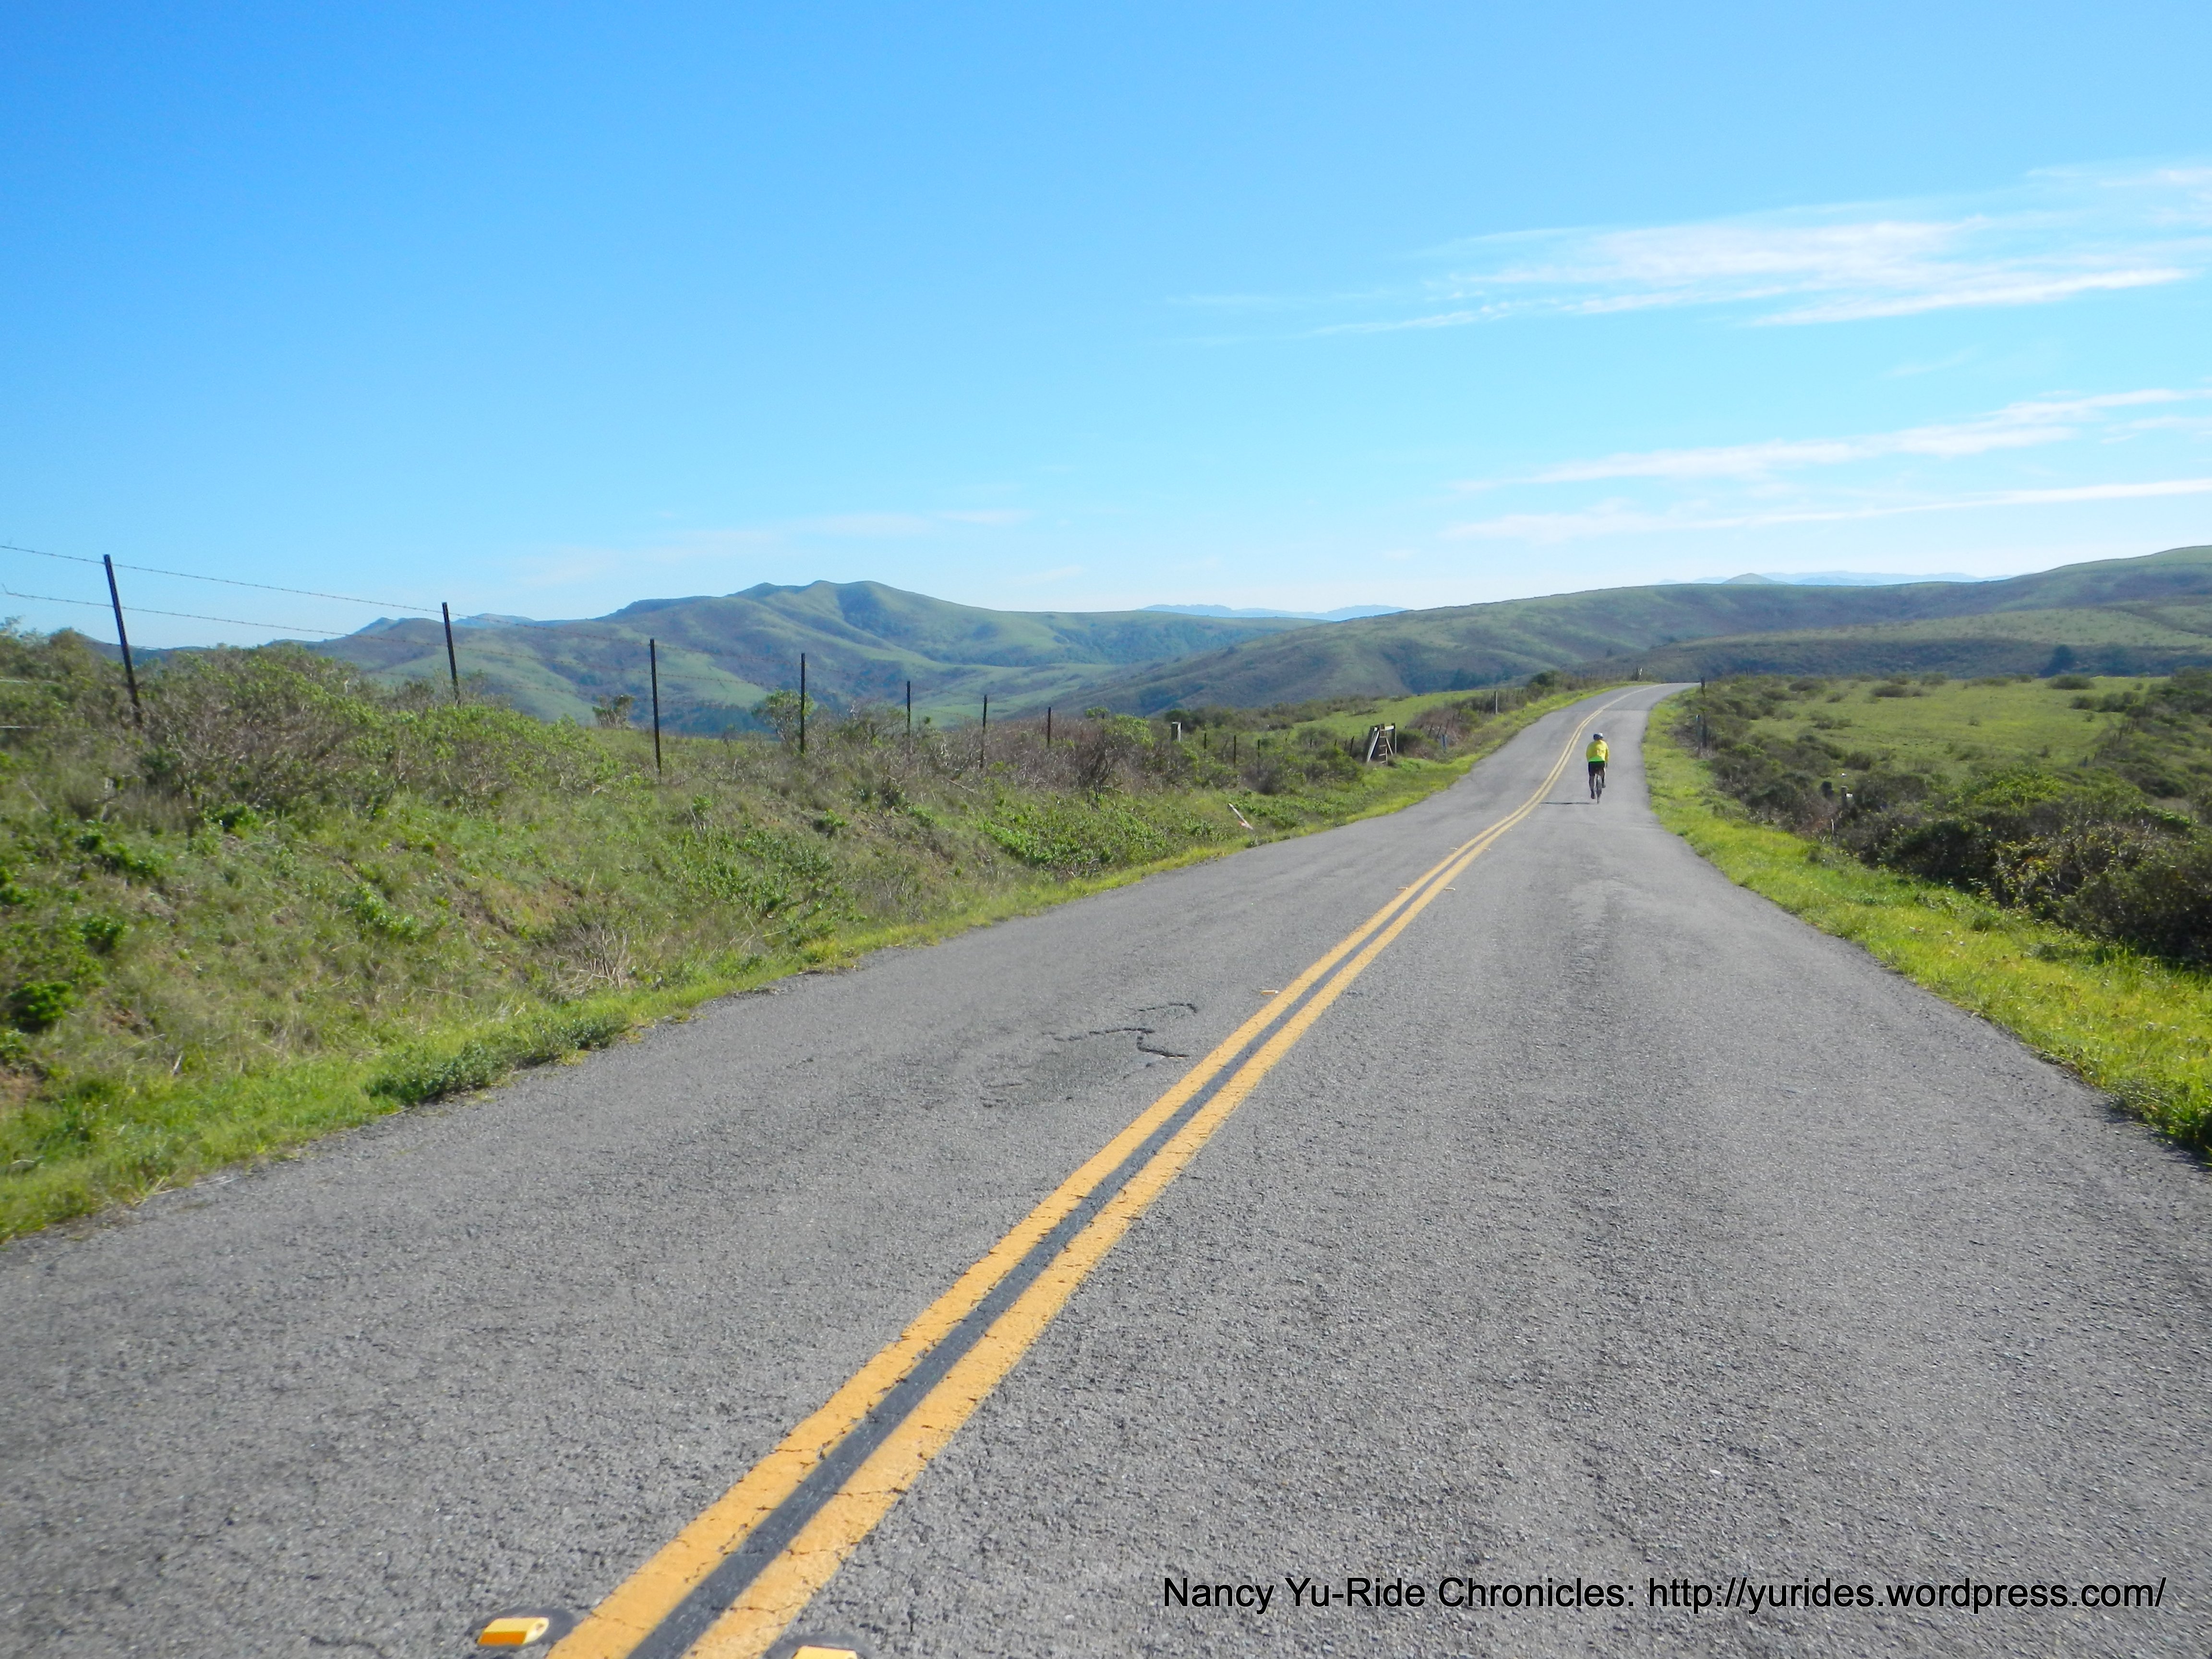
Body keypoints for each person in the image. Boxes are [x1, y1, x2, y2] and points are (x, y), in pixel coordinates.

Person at [1586, 731, 1609, 798]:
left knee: (1592, 777)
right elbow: (1607, 753)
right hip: (1601, 761)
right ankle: (1603, 781)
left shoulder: (1590, 745)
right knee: (1603, 770)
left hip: (1592, 762)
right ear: (1601, 738)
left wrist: (1589, 761)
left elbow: (1588, 754)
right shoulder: (1604, 744)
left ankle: (1592, 791)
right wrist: (1607, 761)